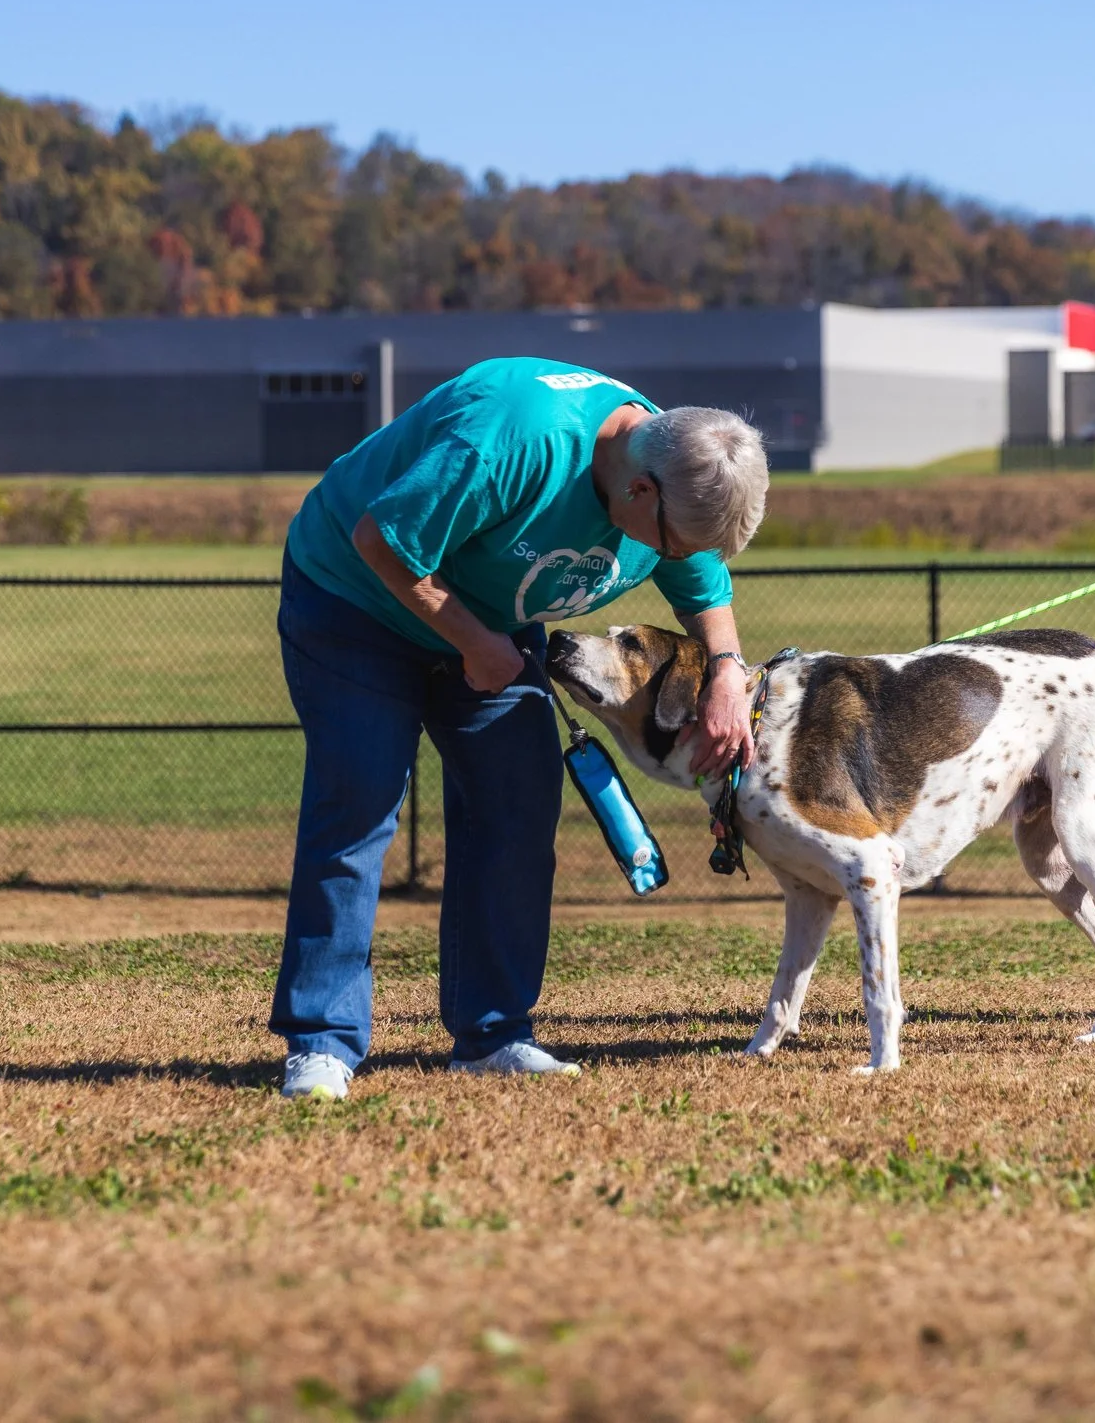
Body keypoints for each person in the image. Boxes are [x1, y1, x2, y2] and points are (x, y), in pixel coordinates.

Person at [270, 357, 770, 1098]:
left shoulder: (676, 467)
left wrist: (728, 668)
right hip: (356, 602)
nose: (674, 560)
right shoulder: (510, 441)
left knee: (516, 809)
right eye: (671, 544)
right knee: (359, 804)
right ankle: (323, 1043)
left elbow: (703, 588)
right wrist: (474, 641)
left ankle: (493, 1033)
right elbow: (383, 540)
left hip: (490, 627)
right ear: (638, 489)